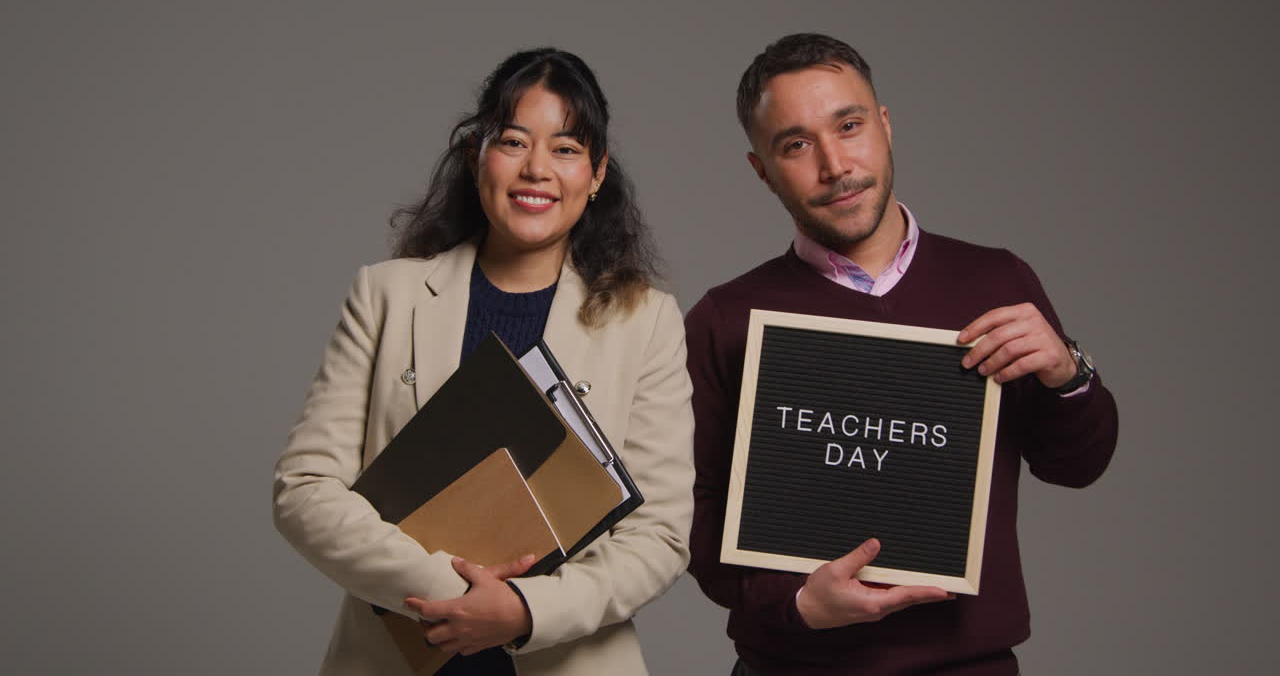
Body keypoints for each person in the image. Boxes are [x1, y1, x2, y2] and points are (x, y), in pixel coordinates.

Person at [684, 33, 1119, 675]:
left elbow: (1079, 464)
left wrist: (1067, 374)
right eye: (796, 145)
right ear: (762, 170)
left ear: (885, 127)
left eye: (850, 125)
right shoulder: (727, 319)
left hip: (969, 663)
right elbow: (694, 515)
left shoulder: (997, 282)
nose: (834, 165)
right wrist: (798, 602)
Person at [273, 48, 694, 676]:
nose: (536, 170)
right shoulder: (386, 295)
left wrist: (525, 609)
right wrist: (446, 591)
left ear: (597, 172)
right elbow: (304, 491)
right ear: (477, 156)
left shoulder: (645, 321)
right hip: (393, 653)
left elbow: (659, 538)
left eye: (566, 149)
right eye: (514, 141)